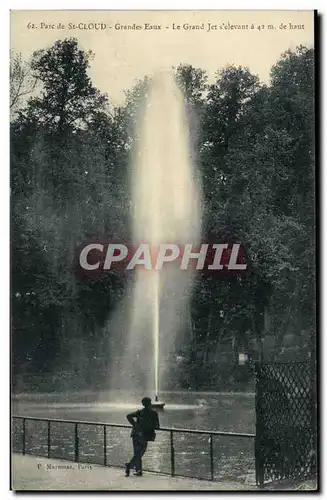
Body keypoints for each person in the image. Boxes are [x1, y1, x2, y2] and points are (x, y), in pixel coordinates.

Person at [125, 397, 160, 477]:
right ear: (150, 403)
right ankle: (131, 466)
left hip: (135, 434)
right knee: (140, 452)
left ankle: (136, 469)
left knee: (137, 453)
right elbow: (157, 426)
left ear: (143, 404)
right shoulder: (154, 413)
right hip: (143, 435)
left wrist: (135, 425)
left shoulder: (139, 412)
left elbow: (128, 416)